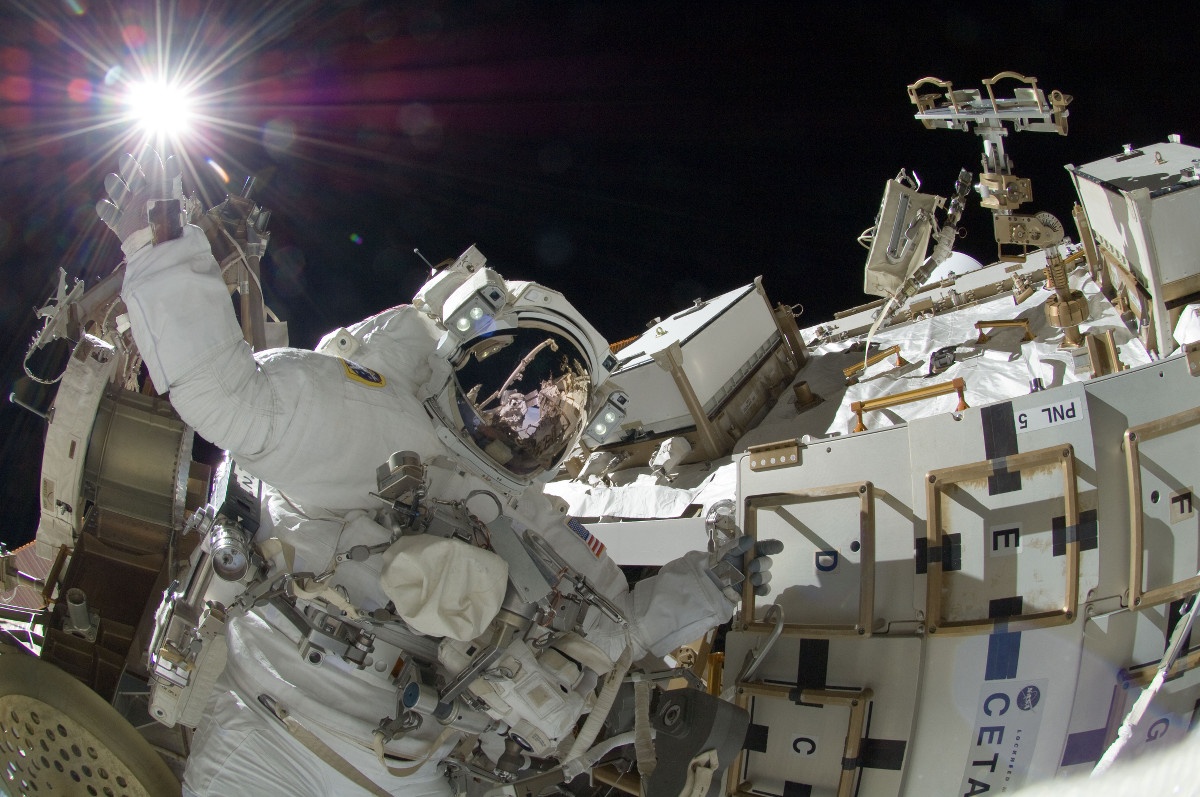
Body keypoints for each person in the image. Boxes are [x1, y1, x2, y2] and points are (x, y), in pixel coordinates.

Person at [97, 151, 778, 796]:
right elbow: (223, 392)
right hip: (273, 717)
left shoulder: (540, 526)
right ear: (462, 354)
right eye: (519, 383)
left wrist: (709, 586)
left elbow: (621, 628)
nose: (526, 415)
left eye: (555, 409)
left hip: (402, 764)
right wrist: (156, 249)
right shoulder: (365, 419)